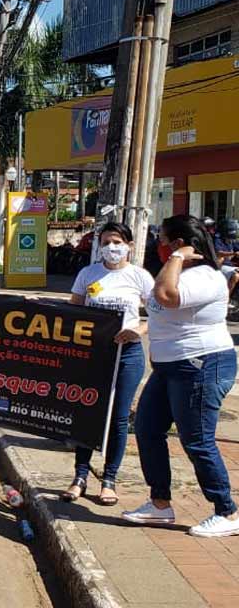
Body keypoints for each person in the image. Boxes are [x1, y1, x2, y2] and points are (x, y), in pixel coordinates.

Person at [122, 215, 239, 537]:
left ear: (179, 245)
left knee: (197, 441)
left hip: (201, 364)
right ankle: (160, 504)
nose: (157, 246)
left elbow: (166, 297)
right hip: (169, 367)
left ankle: (226, 511)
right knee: (147, 429)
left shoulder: (204, 276)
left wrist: (176, 258)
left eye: (162, 240)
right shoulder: (177, 271)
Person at [61, 223, 153, 505]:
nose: (111, 247)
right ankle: (79, 477)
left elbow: (159, 315)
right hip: (93, 355)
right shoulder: (88, 274)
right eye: (106, 242)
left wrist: (138, 330)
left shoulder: (140, 277)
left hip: (127, 354)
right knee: (88, 412)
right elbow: (74, 310)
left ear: (129, 245)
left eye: (117, 241)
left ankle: (110, 479)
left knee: (118, 418)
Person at [214, 218, 239, 294]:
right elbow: (218, 253)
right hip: (220, 266)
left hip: (230, 266)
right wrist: (233, 254)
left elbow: (237, 247)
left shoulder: (230, 240)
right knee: (236, 276)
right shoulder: (217, 239)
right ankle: (225, 299)